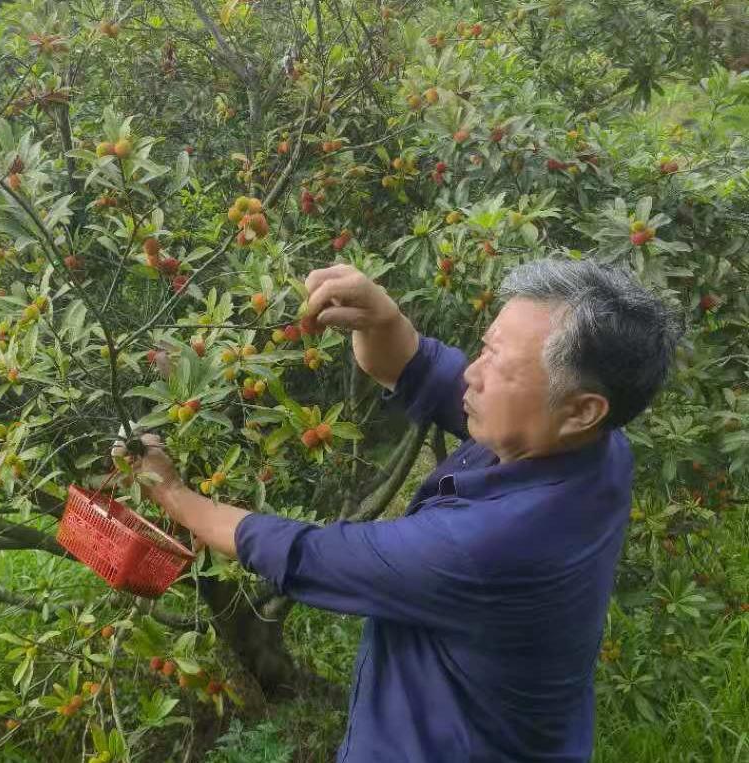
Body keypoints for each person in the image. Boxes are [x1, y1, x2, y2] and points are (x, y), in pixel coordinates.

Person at [127, 257, 683, 762]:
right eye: (485, 348)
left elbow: (307, 554)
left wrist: (175, 496)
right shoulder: (596, 447)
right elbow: (421, 369)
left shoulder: (490, 547)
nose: (473, 373)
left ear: (582, 409)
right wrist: (381, 318)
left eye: (500, 366)